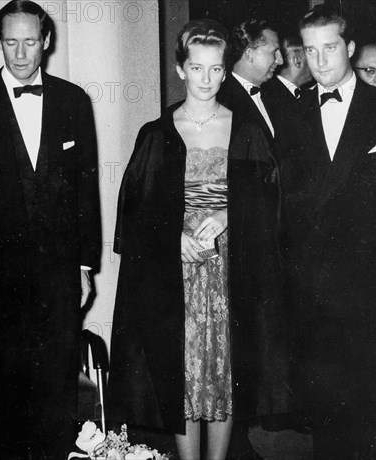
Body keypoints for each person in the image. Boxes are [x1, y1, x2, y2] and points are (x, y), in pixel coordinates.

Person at [108, 18, 281, 460]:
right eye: (197, 68)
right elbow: (133, 211)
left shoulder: (244, 130)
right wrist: (171, 238)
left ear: (225, 71)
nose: (207, 79)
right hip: (175, 272)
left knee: (222, 370)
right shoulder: (156, 133)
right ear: (181, 70)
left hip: (230, 268)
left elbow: (270, 200)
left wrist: (229, 214)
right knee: (182, 372)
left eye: (216, 69)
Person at [277, 5, 376, 458]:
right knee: (327, 411)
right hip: (316, 284)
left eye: (329, 48)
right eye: (310, 51)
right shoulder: (288, 113)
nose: (320, 61)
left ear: (348, 47)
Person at [0, 0, 101, 457]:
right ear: (0, 42)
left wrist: (84, 264)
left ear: (46, 40)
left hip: (59, 270)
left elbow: (85, 188)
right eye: (10, 42)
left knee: (57, 382)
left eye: (29, 41)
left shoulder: (73, 100)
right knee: (4, 385)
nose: (19, 53)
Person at [218, 18, 283, 146]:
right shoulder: (222, 104)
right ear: (249, 54)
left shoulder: (276, 96)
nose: (280, 60)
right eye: (274, 52)